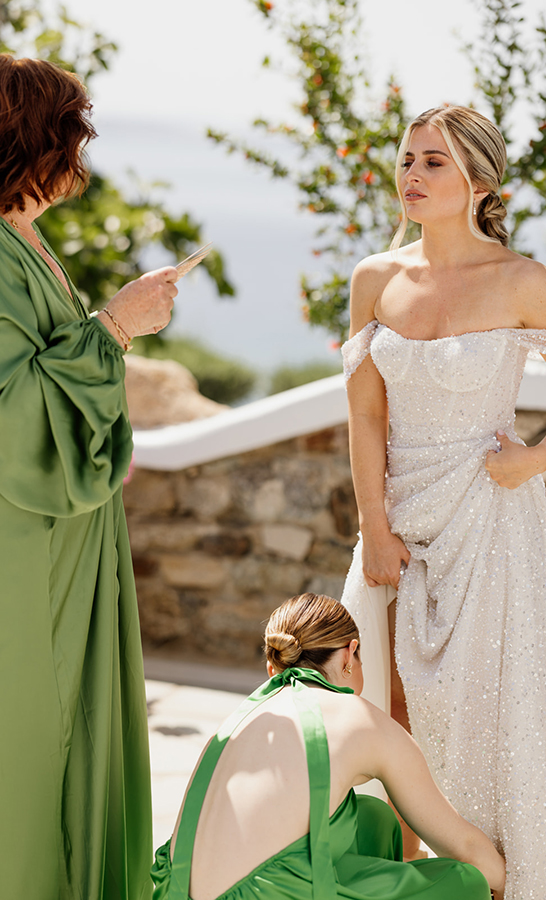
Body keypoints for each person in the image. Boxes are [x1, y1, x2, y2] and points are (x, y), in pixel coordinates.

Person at [339, 104, 546, 900]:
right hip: (395, 520)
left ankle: (488, 886)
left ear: (479, 181)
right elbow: (365, 412)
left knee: (476, 725)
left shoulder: (522, 280)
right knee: (384, 715)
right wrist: (373, 529)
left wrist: (541, 459)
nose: (411, 176)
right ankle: (405, 886)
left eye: (434, 163)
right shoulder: (375, 279)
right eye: (408, 159)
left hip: (488, 519)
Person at [0, 55, 178, 900]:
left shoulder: (27, 236)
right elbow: (12, 406)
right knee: (32, 736)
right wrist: (116, 323)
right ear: (37, 136)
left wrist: (111, 343)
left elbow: (52, 373)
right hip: (23, 544)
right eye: (76, 128)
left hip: (66, 532)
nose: (88, 145)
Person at [151, 592, 506, 900]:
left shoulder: (249, 713)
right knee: (465, 883)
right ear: (349, 655)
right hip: (269, 894)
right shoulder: (359, 717)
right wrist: (506, 883)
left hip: (175, 891)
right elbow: (469, 851)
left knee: (371, 818)